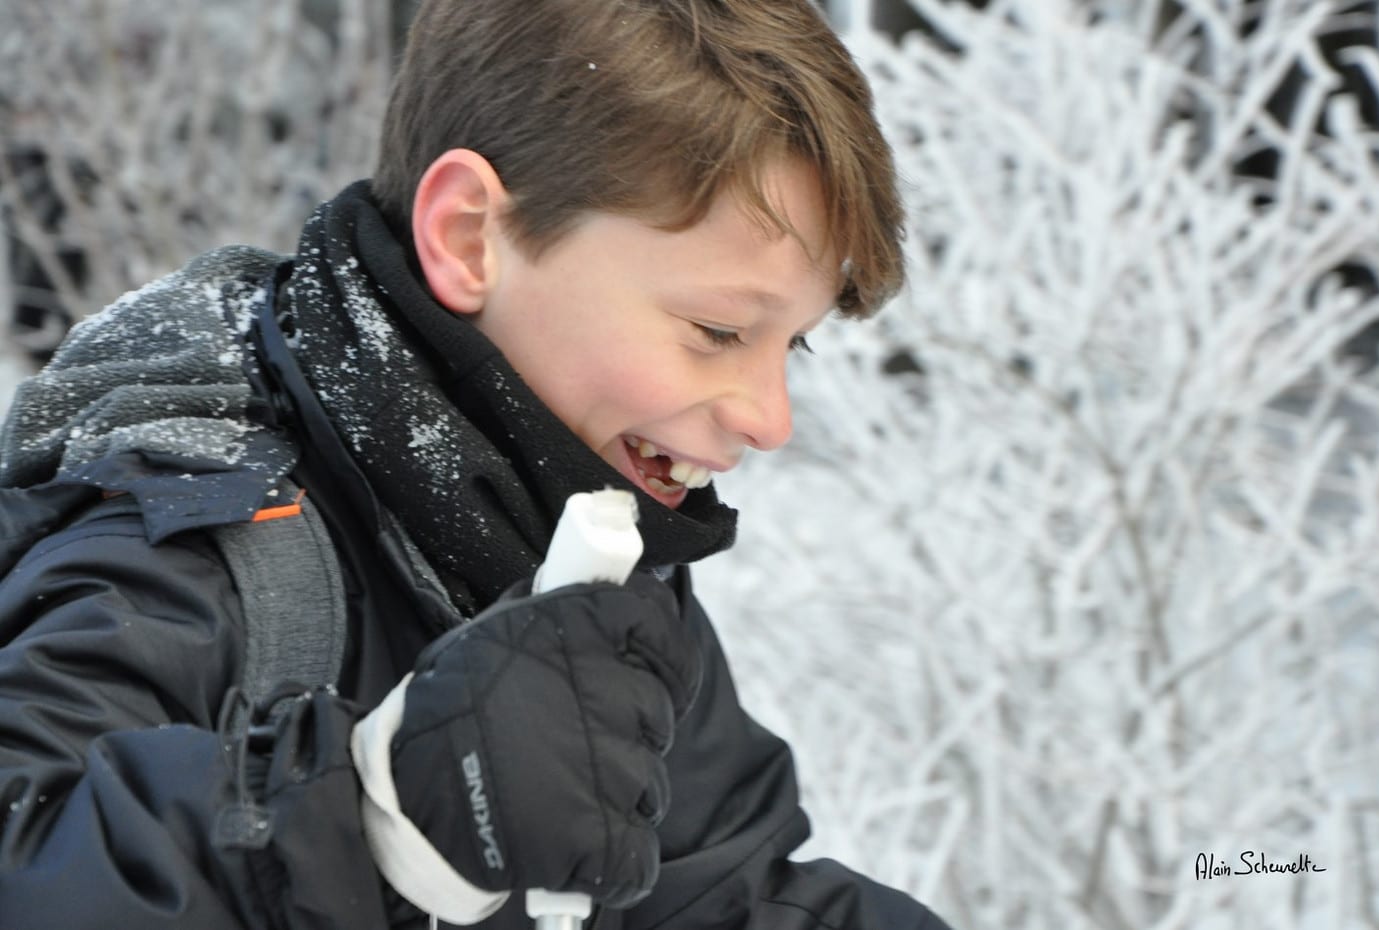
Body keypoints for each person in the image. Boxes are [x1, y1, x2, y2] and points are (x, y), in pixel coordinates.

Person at [0, 1, 951, 928]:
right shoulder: (187, 543)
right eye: (718, 330)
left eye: (794, 345)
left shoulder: (592, 555)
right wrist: (374, 811)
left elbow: (713, 897)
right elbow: (29, 859)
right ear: (466, 237)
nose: (771, 418)